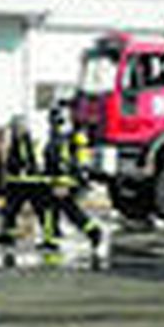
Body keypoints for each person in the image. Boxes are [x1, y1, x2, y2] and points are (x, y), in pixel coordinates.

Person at [42, 106, 103, 251]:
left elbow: (63, 160)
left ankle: (93, 232)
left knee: (68, 210)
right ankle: (51, 239)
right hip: (60, 180)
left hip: (64, 181)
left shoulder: (63, 137)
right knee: (55, 209)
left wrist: (62, 182)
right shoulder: (60, 135)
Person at [0, 115, 50, 246]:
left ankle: (49, 238)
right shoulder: (20, 140)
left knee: (18, 209)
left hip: (24, 183)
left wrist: (15, 168)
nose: (14, 130)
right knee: (11, 210)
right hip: (22, 182)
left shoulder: (23, 140)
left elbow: (24, 161)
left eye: (16, 127)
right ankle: (8, 235)